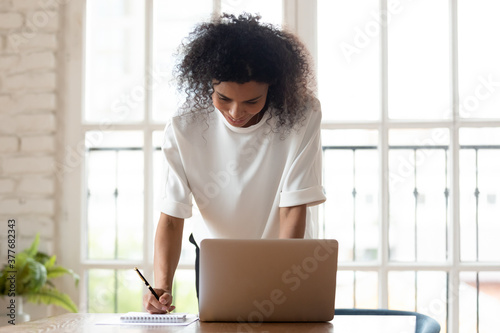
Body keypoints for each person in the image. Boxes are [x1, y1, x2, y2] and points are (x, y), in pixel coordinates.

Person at [143, 13, 326, 314]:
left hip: (288, 255)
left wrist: (282, 281)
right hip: (218, 261)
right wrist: (161, 286)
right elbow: (172, 217)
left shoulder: (302, 115)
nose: (236, 112)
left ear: (273, 87)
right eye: (224, 98)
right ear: (208, 84)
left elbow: (294, 207)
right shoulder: (184, 127)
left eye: (252, 101)